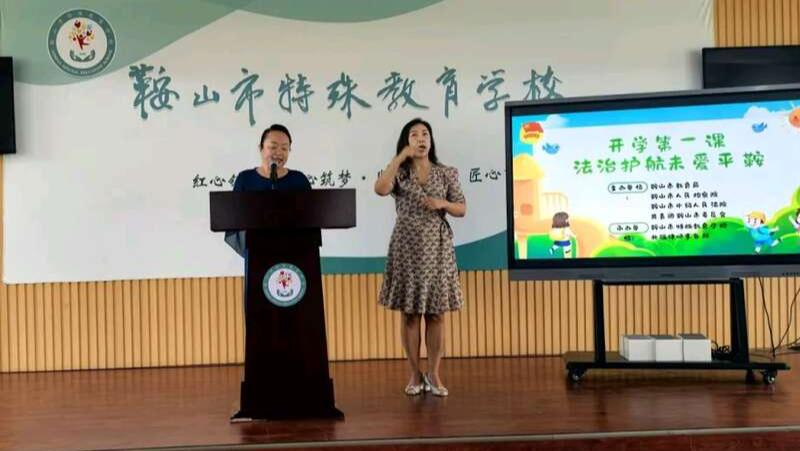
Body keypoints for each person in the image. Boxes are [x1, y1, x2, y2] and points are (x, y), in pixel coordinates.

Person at [374, 118, 466, 397]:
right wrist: (401, 156)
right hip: (407, 248)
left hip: (437, 248)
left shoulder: (446, 172)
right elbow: (380, 188)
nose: (421, 138)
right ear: (406, 141)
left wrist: (443, 203)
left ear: (431, 140)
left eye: (425, 134)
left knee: (436, 314)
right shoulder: (398, 173)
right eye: (414, 135)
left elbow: (461, 208)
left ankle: (434, 374)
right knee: (410, 314)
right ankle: (415, 374)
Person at [225, 124, 311, 256]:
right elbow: (234, 222)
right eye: (273, 147)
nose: (279, 152)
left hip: (293, 255)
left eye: (284, 148)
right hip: (257, 254)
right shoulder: (245, 179)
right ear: (261, 148)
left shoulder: (299, 180)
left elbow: (310, 222)